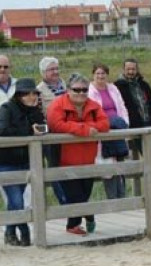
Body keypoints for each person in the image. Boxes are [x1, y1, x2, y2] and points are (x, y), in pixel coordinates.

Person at [47, 74, 110, 235]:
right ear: (68, 90)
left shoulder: (94, 106)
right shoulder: (57, 104)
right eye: (77, 90)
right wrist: (84, 129)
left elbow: (105, 124)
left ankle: (85, 215)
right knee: (73, 194)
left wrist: (81, 127)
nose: (81, 93)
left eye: (84, 90)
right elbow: (56, 124)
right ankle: (75, 224)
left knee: (84, 193)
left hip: (88, 159)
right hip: (65, 159)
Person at [0, 79, 46, 246]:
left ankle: (9, 232)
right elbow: (1, 131)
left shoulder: (36, 111)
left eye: (34, 93)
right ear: (19, 95)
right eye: (26, 94)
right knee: (16, 200)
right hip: (5, 161)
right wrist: (29, 131)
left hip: (25, 160)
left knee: (17, 200)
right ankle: (24, 231)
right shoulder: (6, 109)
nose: (31, 97)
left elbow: (43, 127)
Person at [88, 63, 130, 201]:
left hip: (118, 129)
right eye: (97, 73)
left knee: (120, 162)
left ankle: (122, 197)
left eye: (103, 73)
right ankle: (113, 199)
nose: (100, 76)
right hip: (103, 131)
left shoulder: (113, 88)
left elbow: (122, 106)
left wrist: (125, 123)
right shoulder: (90, 91)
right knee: (108, 167)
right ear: (93, 75)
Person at [36, 57, 68, 205]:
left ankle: (74, 201)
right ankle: (64, 200)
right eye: (51, 69)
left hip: (68, 133)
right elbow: (39, 114)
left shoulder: (66, 86)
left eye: (56, 68)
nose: (55, 72)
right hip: (51, 135)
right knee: (54, 168)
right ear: (43, 72)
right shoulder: (39, 91)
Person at [114, 58, 151, 152]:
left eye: (133, 69)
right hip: (134, 125)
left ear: (137, 70)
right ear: (123, 70)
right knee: (142, 153)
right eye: (128, 69)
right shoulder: (118, 86)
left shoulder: (144, 84)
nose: (131, 72)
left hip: (149, 123)